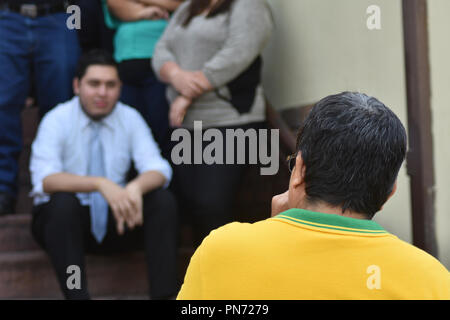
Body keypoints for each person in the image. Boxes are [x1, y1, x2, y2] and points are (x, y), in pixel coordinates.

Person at [177, 92, 450, 300]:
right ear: (389, 193)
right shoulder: (431, 279)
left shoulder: (222, 251)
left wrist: (269, 239)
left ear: (299, 170)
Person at [29, 50, 178, 300]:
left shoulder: (130, 117)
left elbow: (160, 169)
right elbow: (45, 179)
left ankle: (164, 296)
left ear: (120, 88)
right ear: (77, 85)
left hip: (119, 220)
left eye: (110, 85)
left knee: (162, 201)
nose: (102, 93)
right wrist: (100, 184)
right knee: (62, 204)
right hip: (67, 228)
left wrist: (135, 188)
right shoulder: (57, 119)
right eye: (94, 84)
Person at [152, 0, 274, 247]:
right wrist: (176, 75)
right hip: (188, 127)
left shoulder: (249, 5)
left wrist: (188, 93)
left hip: (232, 122)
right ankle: (204, 277)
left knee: (211, 205)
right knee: (191, 206)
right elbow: (161, 50)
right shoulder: (189, 6)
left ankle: (225, 278)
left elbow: (237, 52)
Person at [0, 0, 80, 215]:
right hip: (7, 14)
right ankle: (3, 187)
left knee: (61, 103)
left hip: (60, 13)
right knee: (3, 103)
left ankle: (59, 183)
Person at [102, 0, 183, 152]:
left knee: (164, 128)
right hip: (126, 59)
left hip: (163, 60)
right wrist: (145, 11)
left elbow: (183, 4)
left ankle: (165, 174)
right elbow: (114, 4)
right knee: (128, 130)